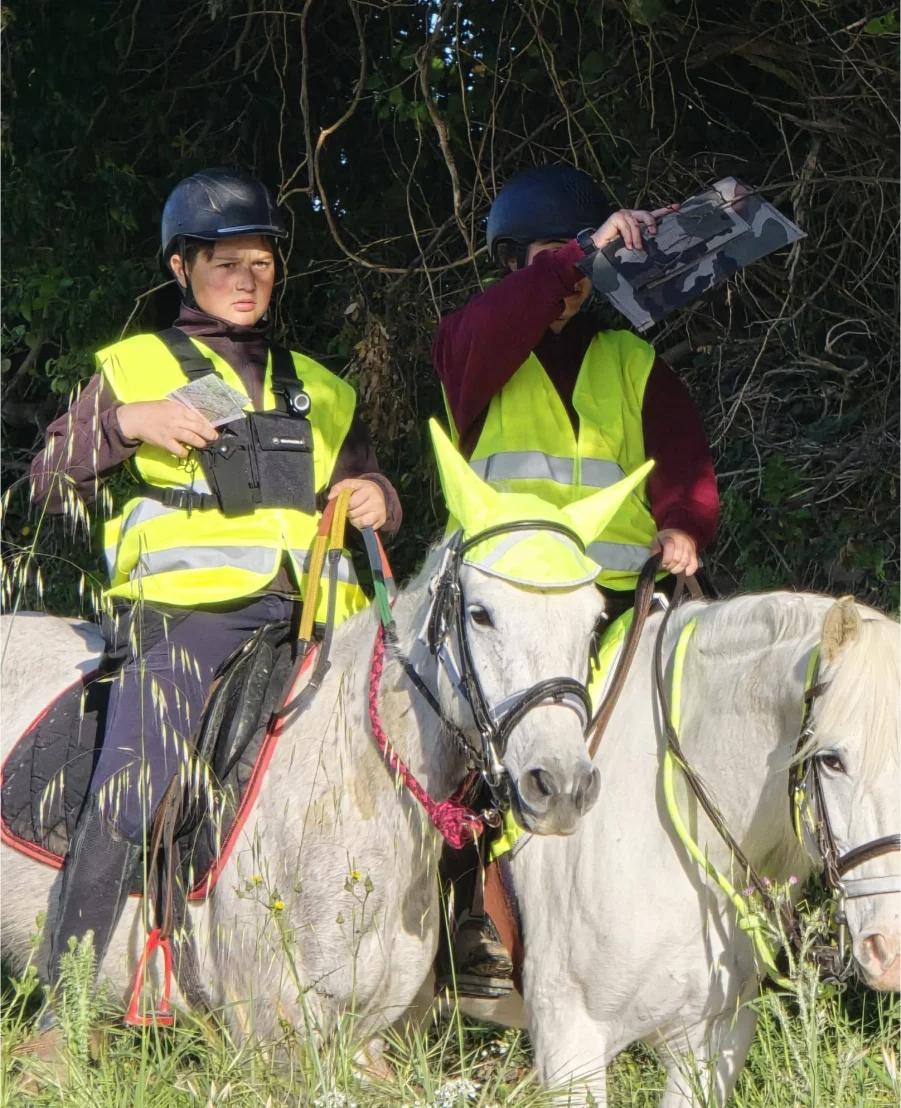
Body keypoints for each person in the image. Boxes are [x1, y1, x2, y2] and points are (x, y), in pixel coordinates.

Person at [29, 168, 402, 1005]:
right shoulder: (138, 366)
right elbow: (50, 474)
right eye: (226, 263)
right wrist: (129, 424)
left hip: (314, 622)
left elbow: (370, 485)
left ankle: (392, 996)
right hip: (183, 619)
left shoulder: (318, 386)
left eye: (261, 264)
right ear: (180, 269)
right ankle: (66, 1008)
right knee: (136, 786)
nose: (246, 280)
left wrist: (381, 498)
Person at [432, 164, 718, 988]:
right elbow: (497, 322)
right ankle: (473, 923)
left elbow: (682, 460)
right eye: (557, 265)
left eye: (584, 269)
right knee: (468, 746)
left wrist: (682, 525)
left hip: (617, 599)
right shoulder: (472, 349)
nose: (572, 285)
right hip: (505, 606)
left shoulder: (630, 359)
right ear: (520, 263)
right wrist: (568, 257)